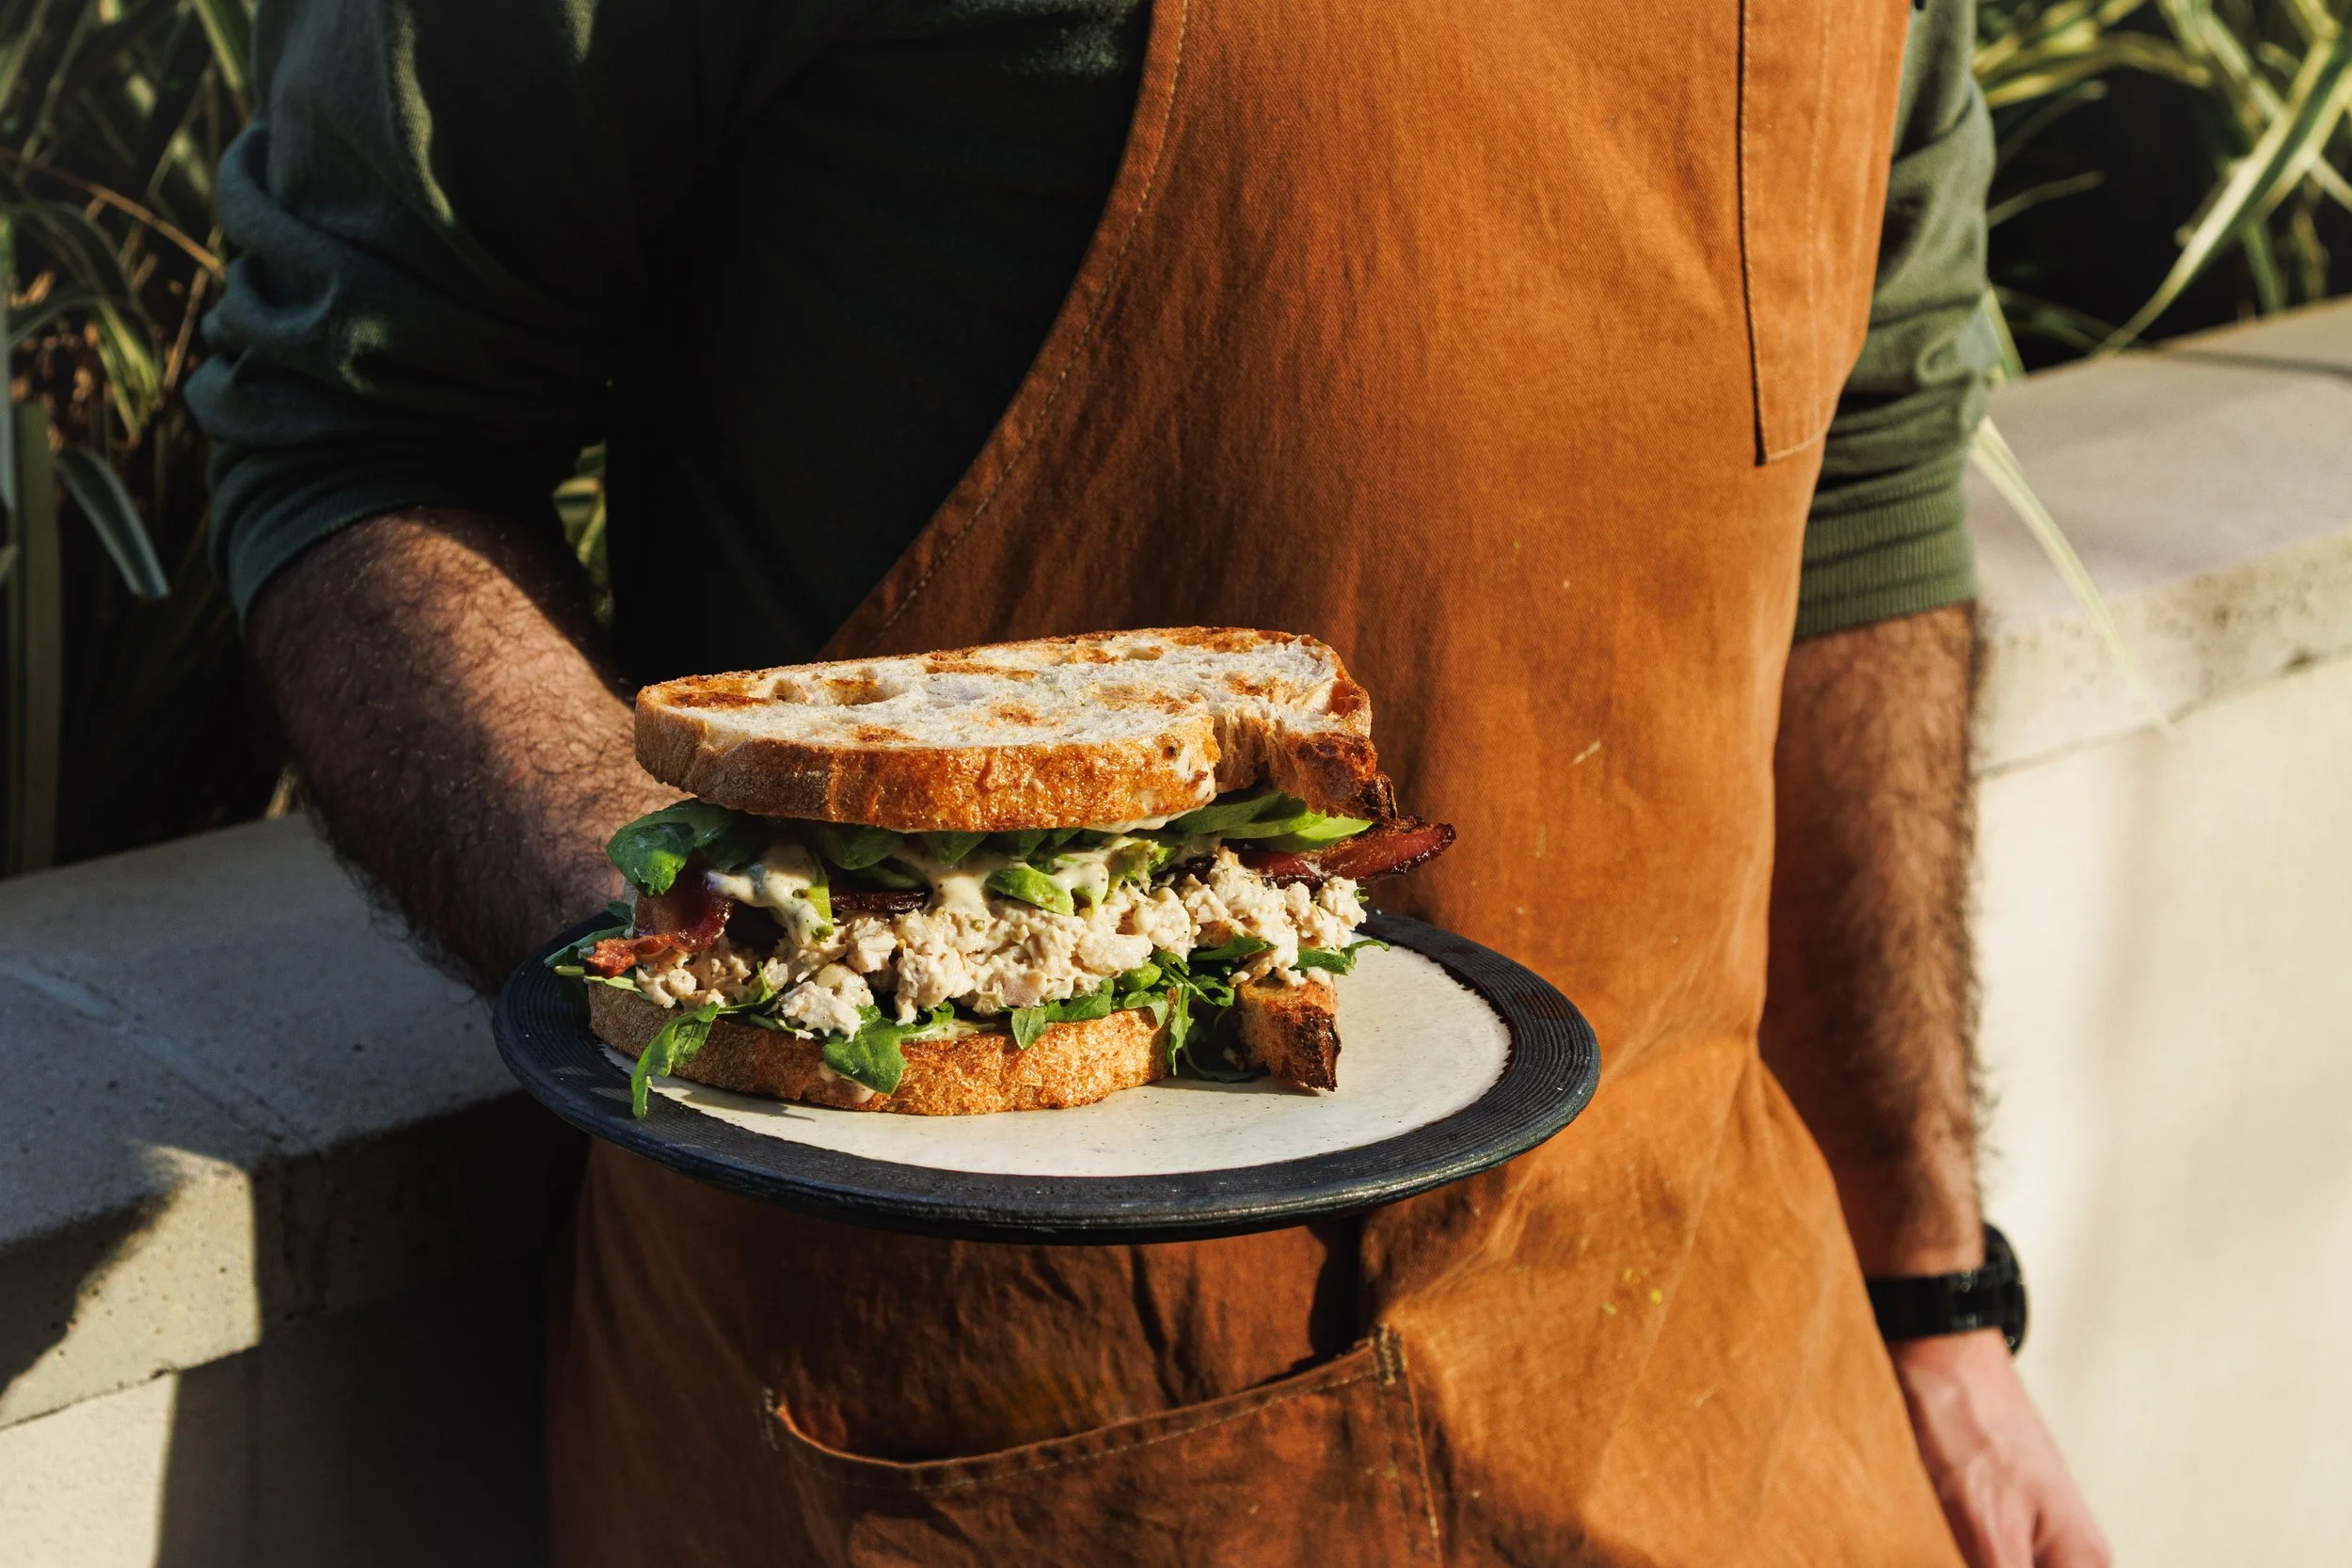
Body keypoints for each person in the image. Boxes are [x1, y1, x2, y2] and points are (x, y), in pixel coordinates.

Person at [187, 0, 2110, 1561]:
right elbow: (361, 428)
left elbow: (1865, 491)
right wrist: (751, 964)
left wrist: (1927, 1292)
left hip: (1725, 1394)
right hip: (981, 1448)